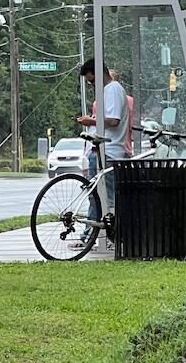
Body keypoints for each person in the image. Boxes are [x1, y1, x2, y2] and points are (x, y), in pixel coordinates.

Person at [72, 59, 128, 248]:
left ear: (100, 74)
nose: (91, 85)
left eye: (92, 80)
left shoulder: (112, 90)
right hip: (103, 150)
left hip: (108, 151)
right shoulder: (111, 90)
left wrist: (90, 121)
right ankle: (93, 236)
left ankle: (108, 237)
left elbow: (113, 120)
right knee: (96, 195)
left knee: (104, 196)